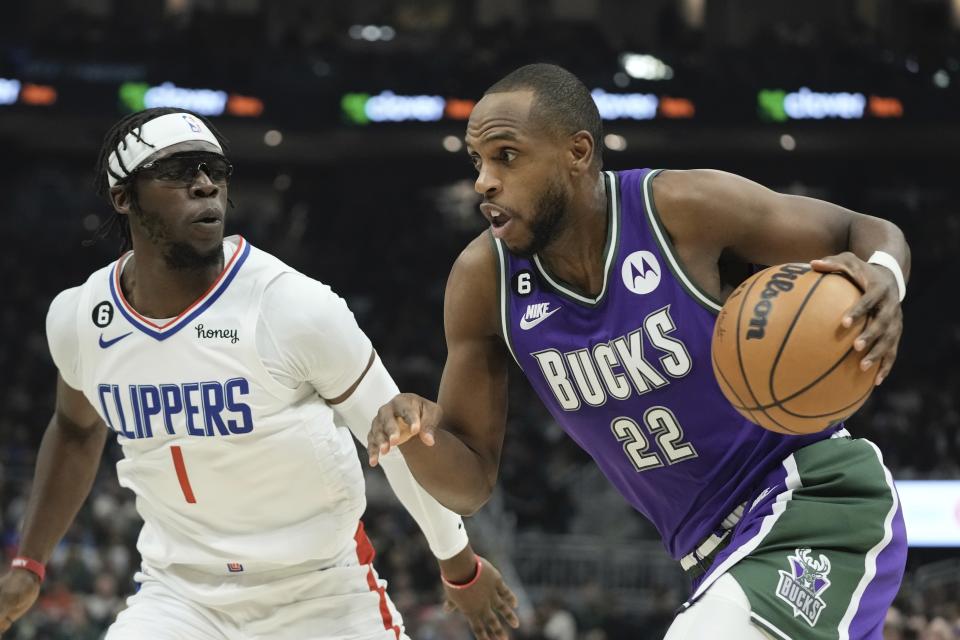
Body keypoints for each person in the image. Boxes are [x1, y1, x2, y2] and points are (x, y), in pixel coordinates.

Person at [369, 64, 910, 640]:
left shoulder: (680, 208)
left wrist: (884, 281)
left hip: (815, 499)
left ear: (577, 152)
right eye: (477, 161)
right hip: (710, 555)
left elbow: (864, 229)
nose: (484, 181)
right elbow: (471, 484)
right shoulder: (484, 281)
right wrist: (418, 437)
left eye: (507, 155)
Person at [0, 107, 519, 640]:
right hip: (180, 595)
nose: (204, 185)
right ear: (123, 196)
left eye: (213, 170)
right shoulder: (81, 317)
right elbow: (76, 427)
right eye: (179, 170)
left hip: (318, 592)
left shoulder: (292, 306)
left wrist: (460, 565)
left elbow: (401, 441)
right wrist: (29, 564)